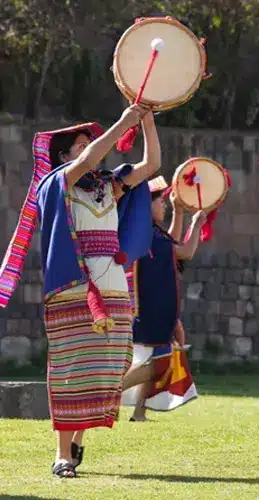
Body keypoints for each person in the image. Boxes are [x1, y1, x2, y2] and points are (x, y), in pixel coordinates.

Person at [0, 104, 160, 478]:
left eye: (91, 142)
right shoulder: (56, 183)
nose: (91, 149)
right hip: (73, 288)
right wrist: (124, 123)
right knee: (71, 371)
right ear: (63, 156)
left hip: (114, 288)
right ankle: (61, 454)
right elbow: (91, 157)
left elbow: (152, 165)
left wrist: (148, 121)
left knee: (108, 369)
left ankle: (79, 440)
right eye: (82, 145)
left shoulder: (107, 185)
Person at [120, 177, 205, 421]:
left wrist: (178, 210)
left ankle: (139, 413)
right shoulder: (151, 238)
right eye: (161, 202)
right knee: (161, 363)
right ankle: (112, 393)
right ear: (147, 206)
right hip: (152, 308)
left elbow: (171, 242)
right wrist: (197, 224)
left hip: (156, 306)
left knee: (158, 359)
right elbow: (185, 251)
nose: (164, 206)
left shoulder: (150, 234)